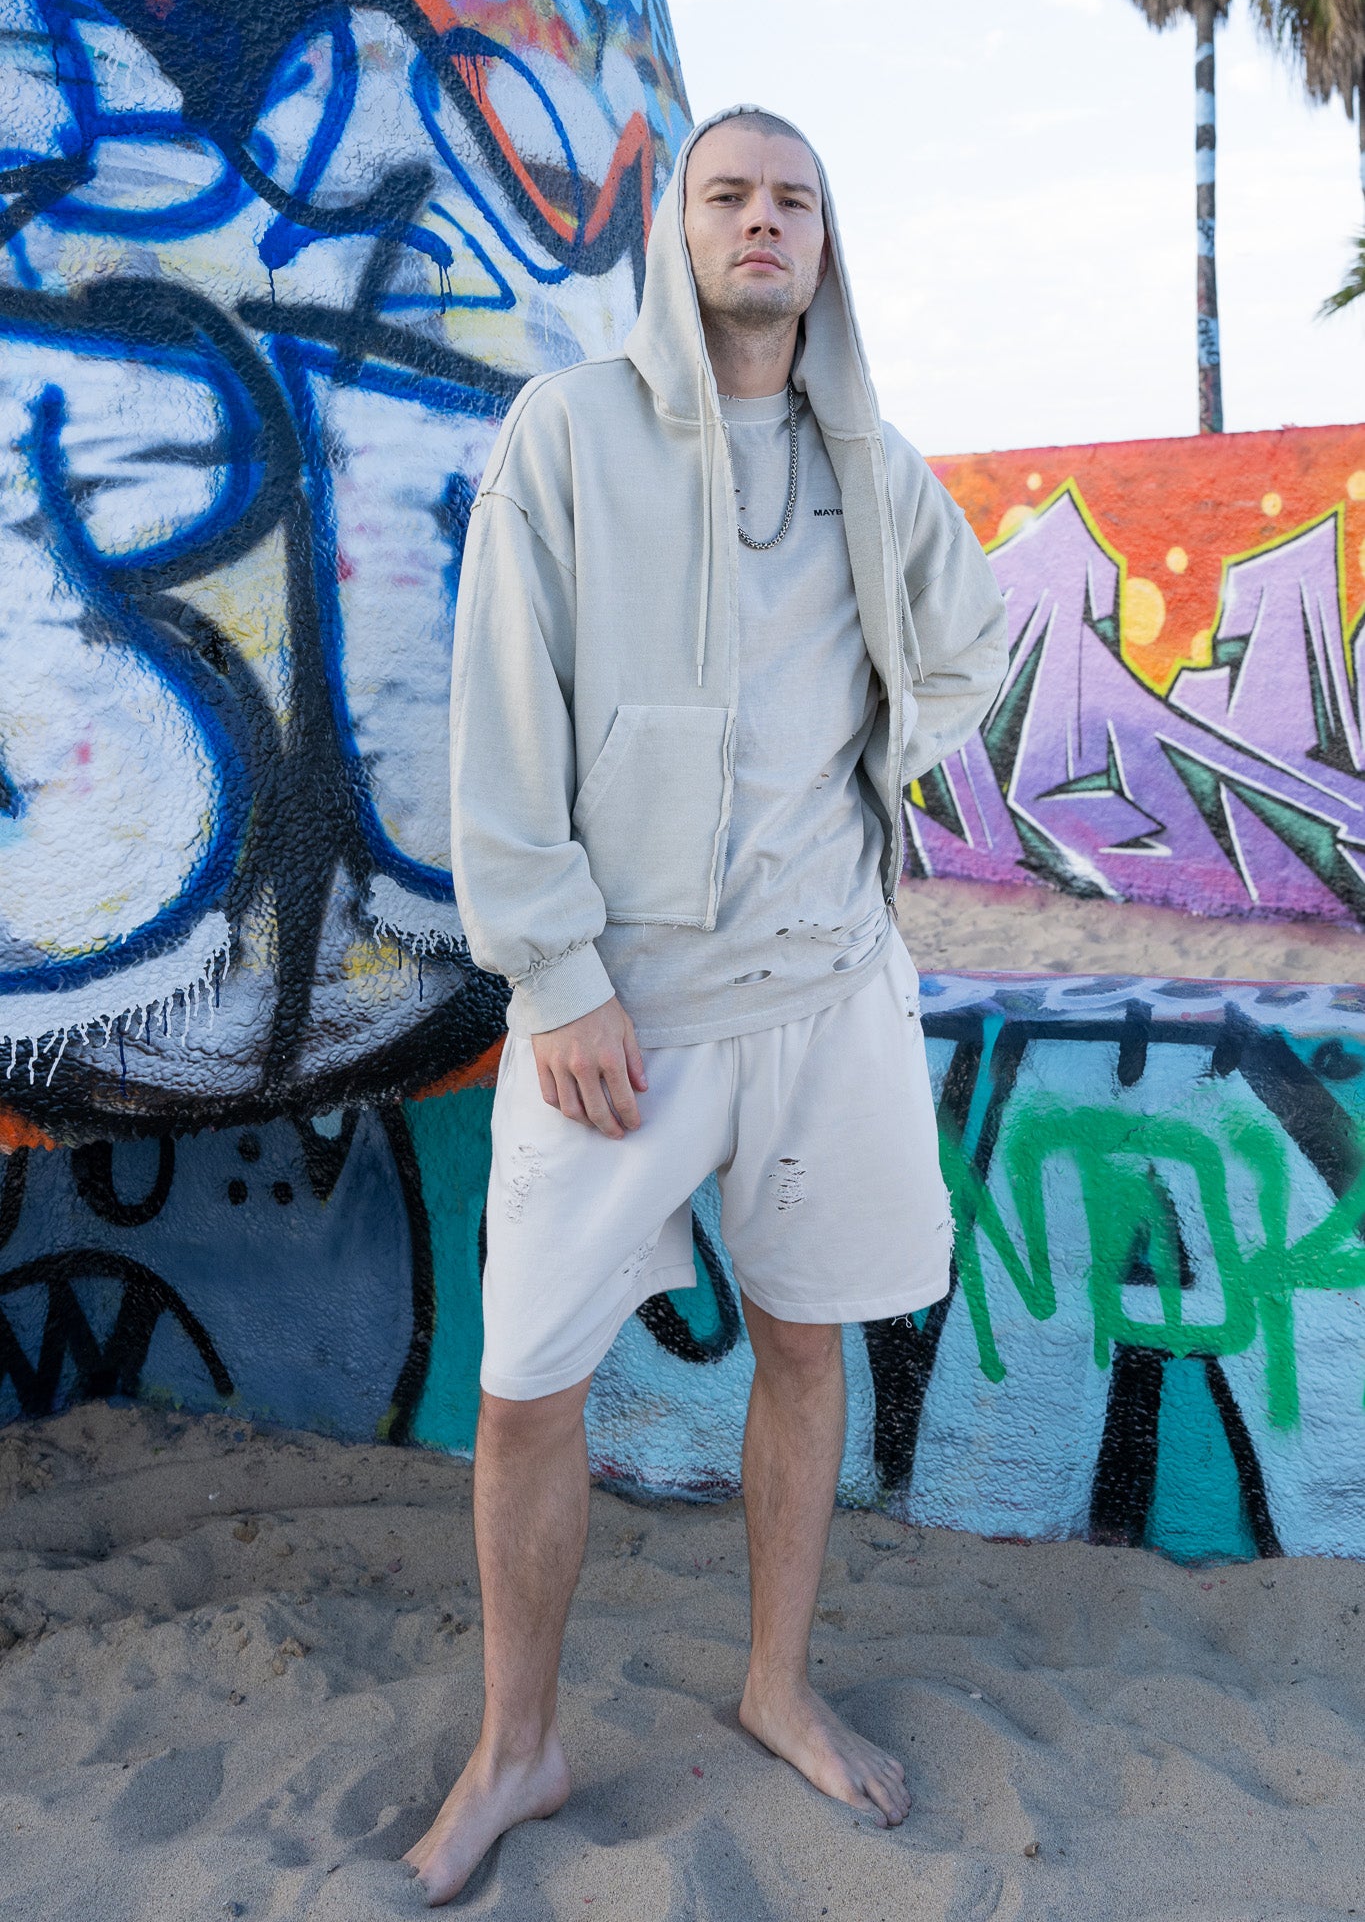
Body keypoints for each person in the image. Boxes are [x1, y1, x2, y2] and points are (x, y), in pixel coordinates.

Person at [406, 104, 1008, 1905]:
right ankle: (517, 1747)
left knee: (806, 1346)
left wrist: (881, 757)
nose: (762, 222)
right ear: (679, 234)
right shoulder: (569, 433)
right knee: (528, 1388)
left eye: (792, 201)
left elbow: (968, 639)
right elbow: (500, 715)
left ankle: (773, 1686)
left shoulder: (869, 460)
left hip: (827, 994)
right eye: (728, 194)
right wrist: (557, 972)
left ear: (824, 244)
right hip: (622, 1017)